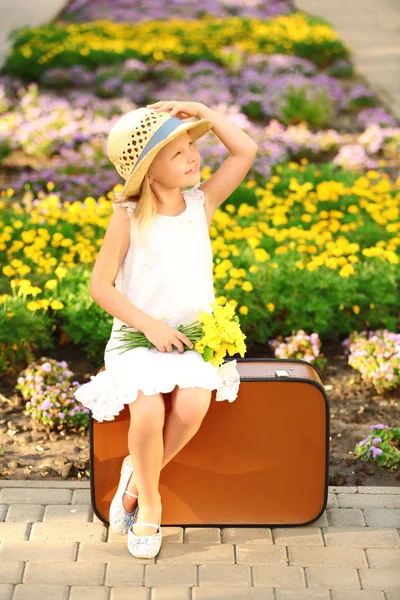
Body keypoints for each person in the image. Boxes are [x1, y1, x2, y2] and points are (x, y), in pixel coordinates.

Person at [74, 100, 258, 559]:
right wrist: (150, 325)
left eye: (192, 146)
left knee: (194, 402)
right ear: (147, 171)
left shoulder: (201, 203)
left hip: (191, 339)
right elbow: (100, 286)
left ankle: (135, 478)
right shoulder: (129, 214)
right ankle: (150, 503)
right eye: (177, 153)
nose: (193, 156)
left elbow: (245, 151)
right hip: (137, 338)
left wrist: (202, 112)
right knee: (150, 412)